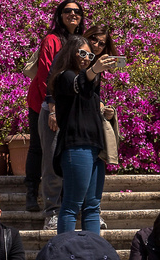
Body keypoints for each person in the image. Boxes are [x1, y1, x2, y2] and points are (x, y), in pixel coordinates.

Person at [26, 0, 83, 224]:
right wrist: (52, 107)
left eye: (76, 11)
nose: (72, 14)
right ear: (59, 15)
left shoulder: (81, 41)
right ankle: (32, 193)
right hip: (44, 101)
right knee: (39, 148)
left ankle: (61, 199)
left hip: (68, 106)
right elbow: (45, 76)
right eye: (67, 11)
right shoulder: (51, 39)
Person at [51, 35, 111, 234]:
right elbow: (78, 85)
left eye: (90, 55)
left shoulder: (90, 81)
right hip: (76, 146)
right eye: (82, 53)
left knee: (93, 206)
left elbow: (87, 92)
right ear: (71, 53)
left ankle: (93, 251)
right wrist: (94, 70)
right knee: (71, 205)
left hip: (94, 147)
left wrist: (105, 110)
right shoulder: (64, 76)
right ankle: (65, 252)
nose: (86, 58)